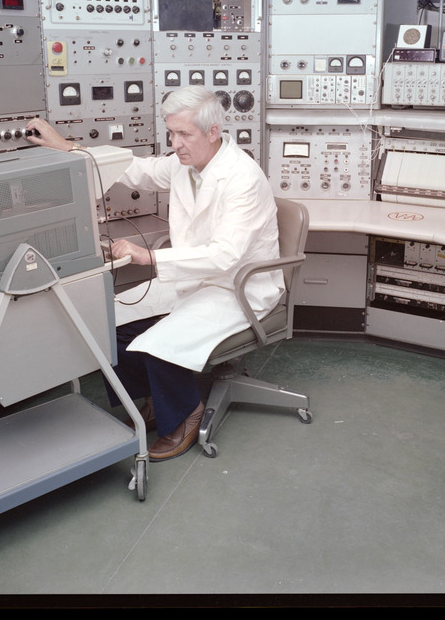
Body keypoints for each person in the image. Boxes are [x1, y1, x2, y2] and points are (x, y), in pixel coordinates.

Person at [26, 87, 283, 460]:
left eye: (184, 135)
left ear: (213, 132)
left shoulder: (242, 178)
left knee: (157, 344)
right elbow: (137, 170)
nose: (175, 145)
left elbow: (225, 256)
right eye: (171, 134)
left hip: (236, 287)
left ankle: (185, 412)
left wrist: (147, 257)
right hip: (194, 278)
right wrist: (67, 147)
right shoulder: (187, 164)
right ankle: (151, 401)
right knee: (106, 321)